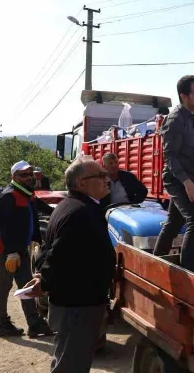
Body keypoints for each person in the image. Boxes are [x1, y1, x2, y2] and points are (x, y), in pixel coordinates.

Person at [28, 158, 114, 373]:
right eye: (100, 176)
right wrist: (44, 280)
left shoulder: (72, 206)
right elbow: (58, 254)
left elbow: (47, 250)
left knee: (69, 360)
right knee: (70, 365)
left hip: (75, 303)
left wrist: (41, 275)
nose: (107, 179)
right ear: (81, 183)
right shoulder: (80, 212)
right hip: (77, 304)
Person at [0, 160, 53, 338]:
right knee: (4, 286)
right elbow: (4, 227)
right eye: (23, 175)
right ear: (14, 177)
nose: (28, 177)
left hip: (20, 249)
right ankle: (1, 324)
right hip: (6, 251)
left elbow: (42, 208)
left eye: (30, 174)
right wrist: (11, 252)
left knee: (27, 285)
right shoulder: (8, 196)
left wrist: (60, 211)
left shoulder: (27, 194)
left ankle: (34, 323)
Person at [152, 75, 194, 270]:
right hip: (177, 179)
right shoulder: (175, 119)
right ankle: (187, 273)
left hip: (191, 176)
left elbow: (192, 149)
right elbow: (170, 156)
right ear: (184, 96)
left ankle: (155, 263)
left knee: (174, 222)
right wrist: (187, 183)